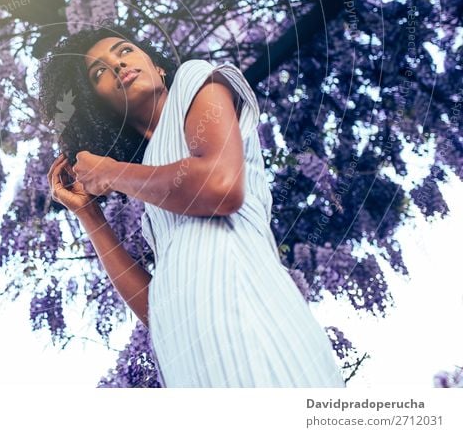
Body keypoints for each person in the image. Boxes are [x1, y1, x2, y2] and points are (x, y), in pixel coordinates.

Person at [38, 24, 346, 388]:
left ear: (159, 67)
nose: (118, 65)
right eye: (100, 72)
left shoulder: (195, 80)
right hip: (186, 355)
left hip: (247, 314)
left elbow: (220, 187)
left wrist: (108, 172)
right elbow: (157, 309)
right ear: (98, 104)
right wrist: (89, 215)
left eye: (124, 51)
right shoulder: (153, 180)